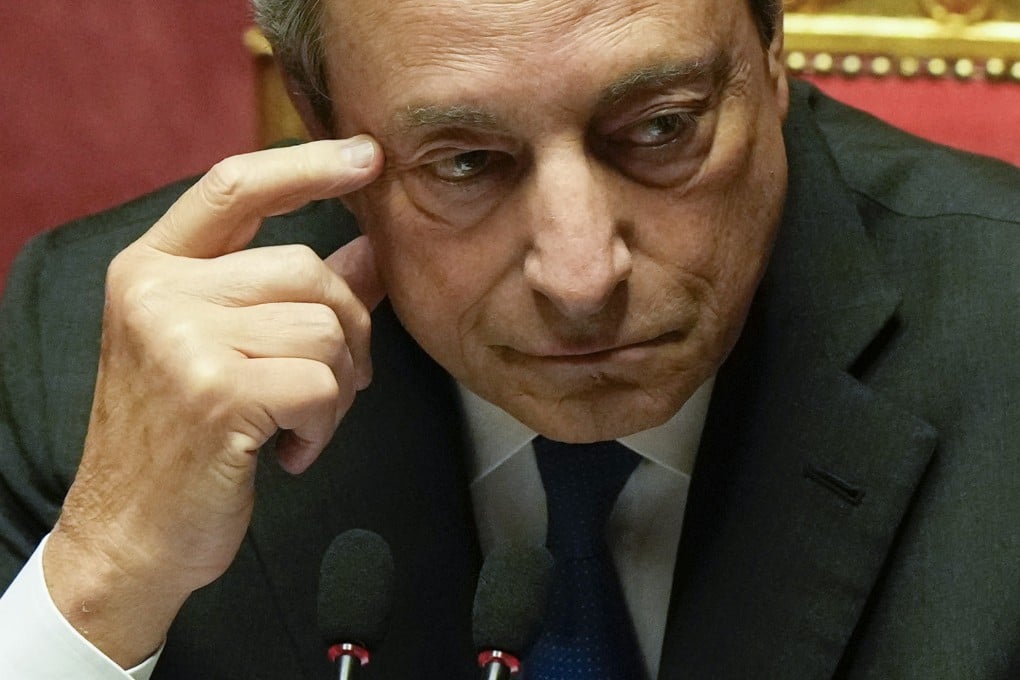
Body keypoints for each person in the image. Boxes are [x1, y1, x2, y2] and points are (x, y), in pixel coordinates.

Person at [1, 0, 1018, 677]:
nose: (581, 278)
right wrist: (107, 573)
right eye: (467, 162)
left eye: (662, 128)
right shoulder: (91, 347)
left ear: (771, 55)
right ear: (322, 125)